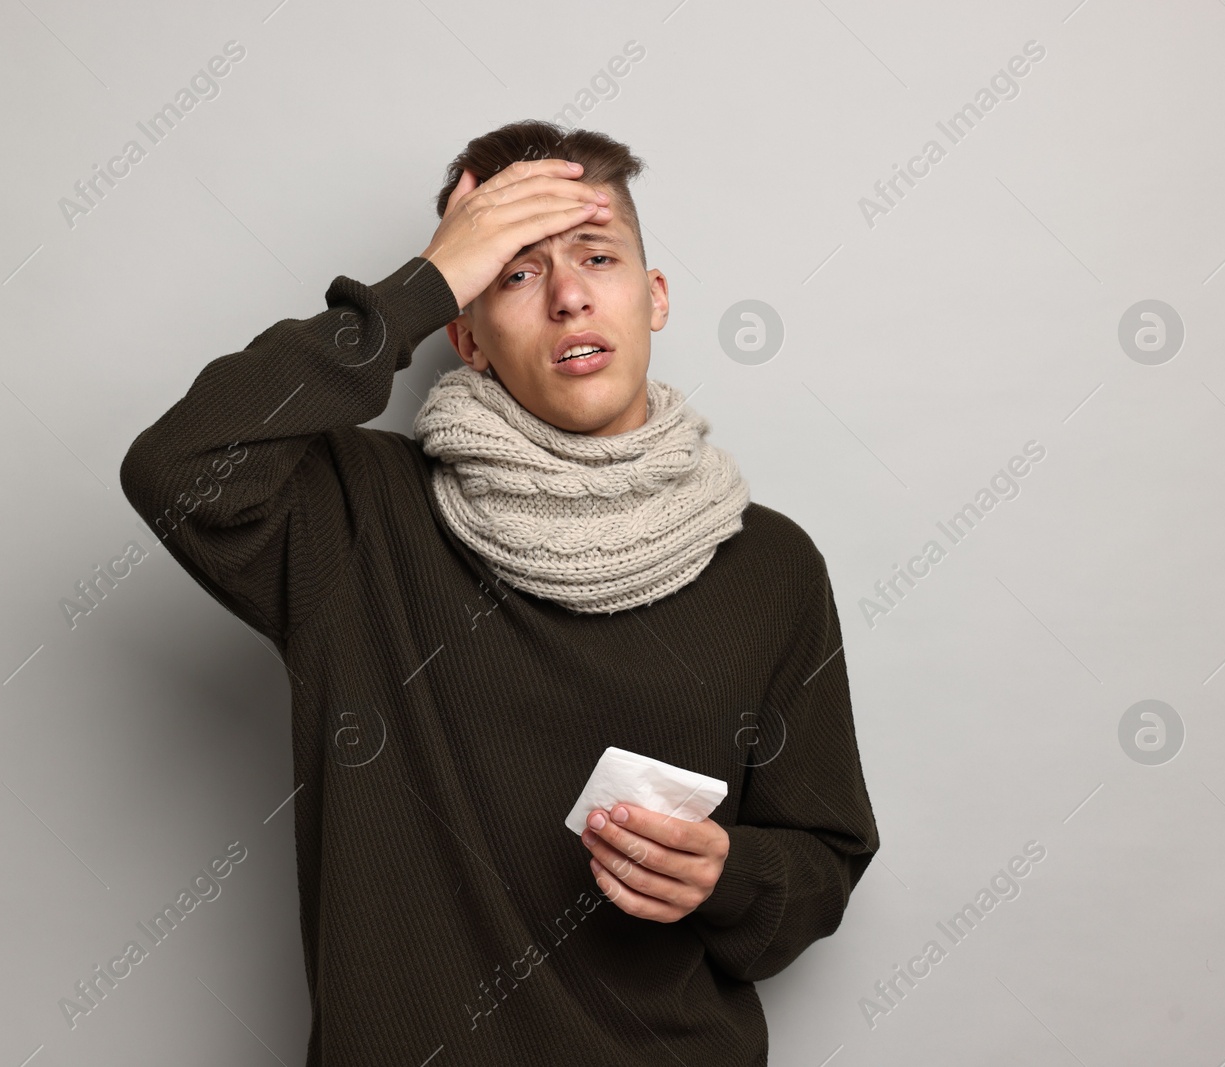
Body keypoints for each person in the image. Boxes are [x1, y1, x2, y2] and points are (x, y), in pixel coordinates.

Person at [119, 119, 879, 1067]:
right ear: (466, 338)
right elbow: (177, 468)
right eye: (514, 272)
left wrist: (728, 876)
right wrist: (419, 286)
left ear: (654, 299)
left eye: (597, 257)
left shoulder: (770, 563)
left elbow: (824, 858)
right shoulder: (359, 517)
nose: (567, 295)